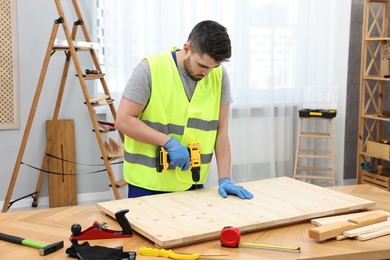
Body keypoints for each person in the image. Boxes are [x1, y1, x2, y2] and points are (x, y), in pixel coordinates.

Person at [115, 20, 253, 200]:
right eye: (202, 66)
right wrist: (167, 142)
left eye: (214, 67)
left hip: (192, 182)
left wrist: (225, 178)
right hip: (148, 184)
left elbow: (221, 131)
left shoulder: (218, 76)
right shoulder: (150, 68)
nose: (207, 74)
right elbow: (124, 120)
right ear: (187, 48)